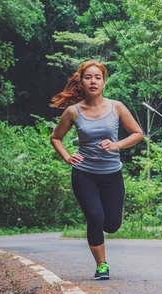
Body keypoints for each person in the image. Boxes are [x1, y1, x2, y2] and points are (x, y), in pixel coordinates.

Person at [50, 60, 143, 280]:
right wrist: (67, 156)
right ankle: (102, 265)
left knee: (111, 224)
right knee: (95, 216)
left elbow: (137, 133)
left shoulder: (116, 107)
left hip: (112, 174)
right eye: (88, 77)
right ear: (81, 82)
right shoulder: (73, 112)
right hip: (85, 174)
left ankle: (104, 244)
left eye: (97, 77)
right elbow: (56, 138)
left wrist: (117, 145)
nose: (93, 81)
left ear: (104, 82)